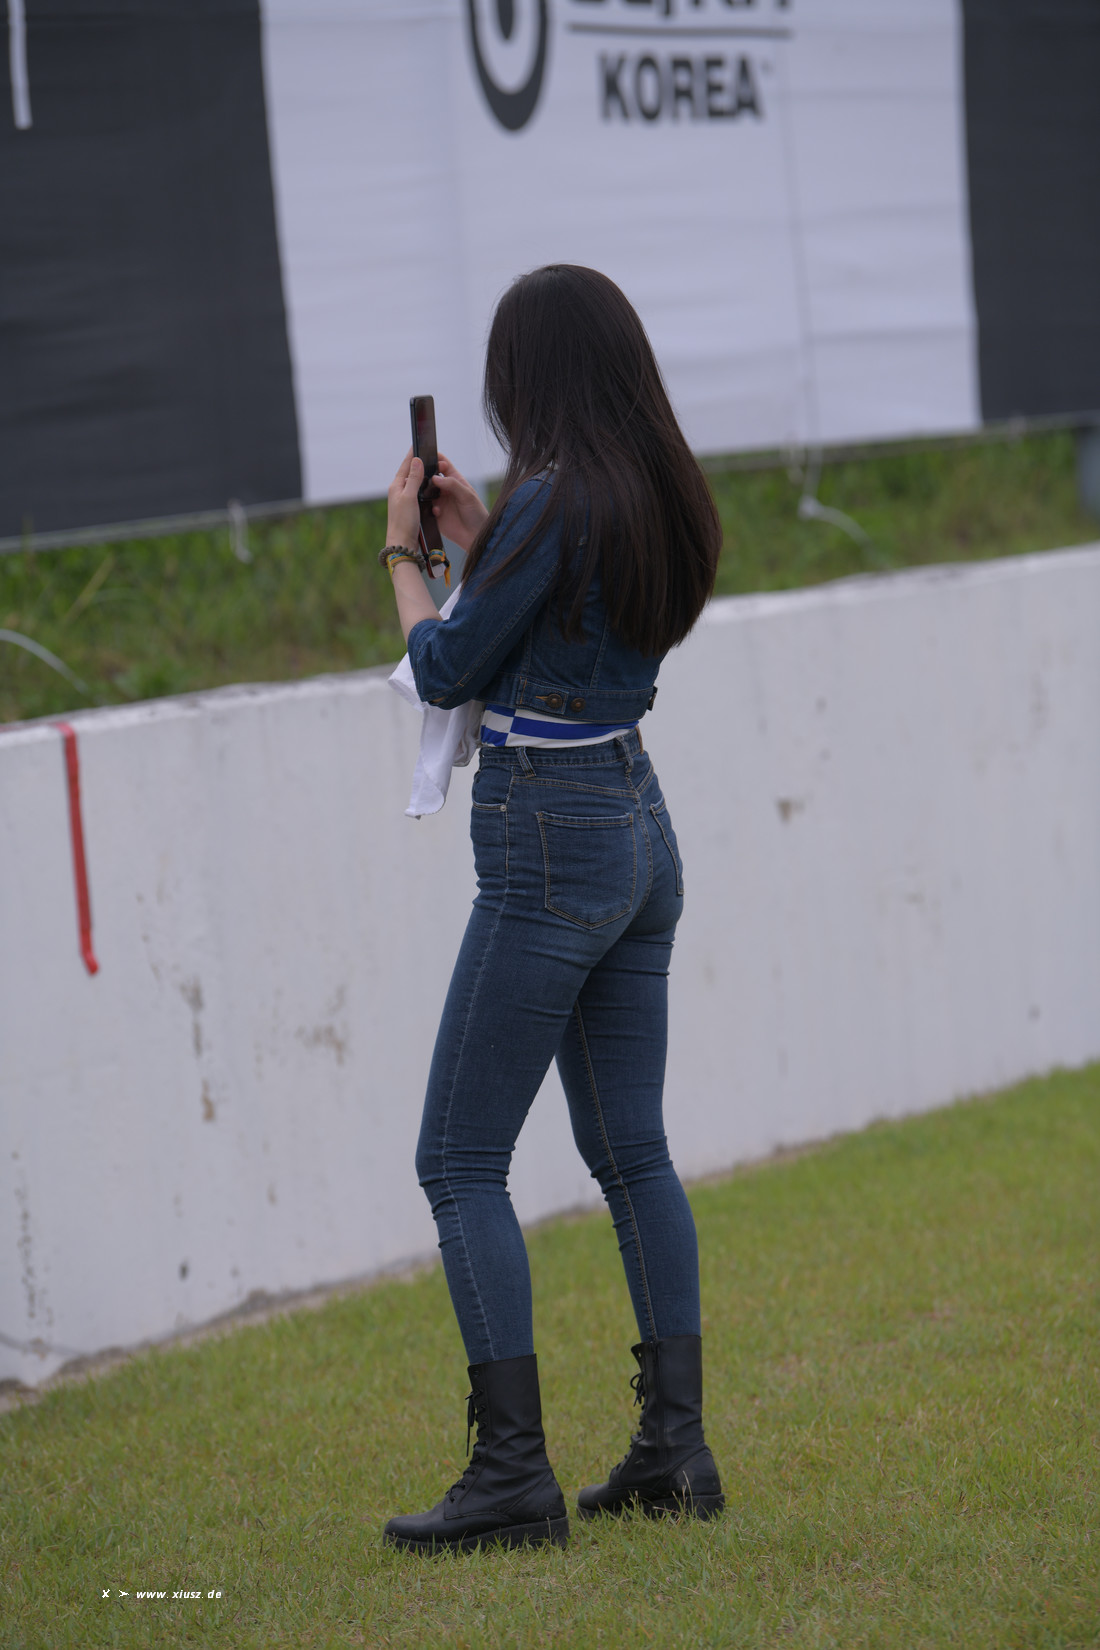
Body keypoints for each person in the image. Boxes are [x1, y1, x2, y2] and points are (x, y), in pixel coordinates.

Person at [377, 265, 724, 1554]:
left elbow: (446, 664)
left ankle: (512, 1477)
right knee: (633, 1152)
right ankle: (675, 1452)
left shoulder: (553, 498)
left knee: (457, 1160)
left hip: (548, 837)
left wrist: (407, 555)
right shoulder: (651, 490)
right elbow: (572, 628)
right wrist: (486, 540)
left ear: (530, 375)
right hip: (637, 819)